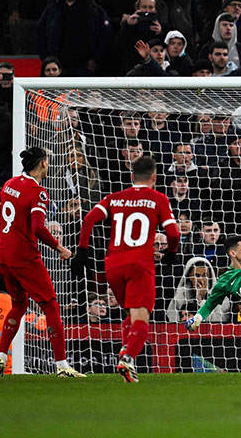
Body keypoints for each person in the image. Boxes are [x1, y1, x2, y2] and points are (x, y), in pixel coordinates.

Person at [72, 155, 181, 383]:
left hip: (112, 265)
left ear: (132, 176)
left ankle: (125, 356)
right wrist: (171, 253)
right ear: (154, 178)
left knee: (130, 315)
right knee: (142, 318)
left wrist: (82, 250)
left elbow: (89, 219)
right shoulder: (158, 198)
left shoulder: (115, 198)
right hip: (139, 264)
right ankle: (128, 358)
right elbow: (173, 233)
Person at [0, 147, 84, 378]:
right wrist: (60, 248)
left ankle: (0, 357)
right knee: (51, 306)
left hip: (3, 256)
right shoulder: (38, 192)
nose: (49, 165)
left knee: (19, 304)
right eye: (48, 162)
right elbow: (38, 227)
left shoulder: (9, 184)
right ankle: (62, 365)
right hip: (24, 257)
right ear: (42, 163)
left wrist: (11, 232)